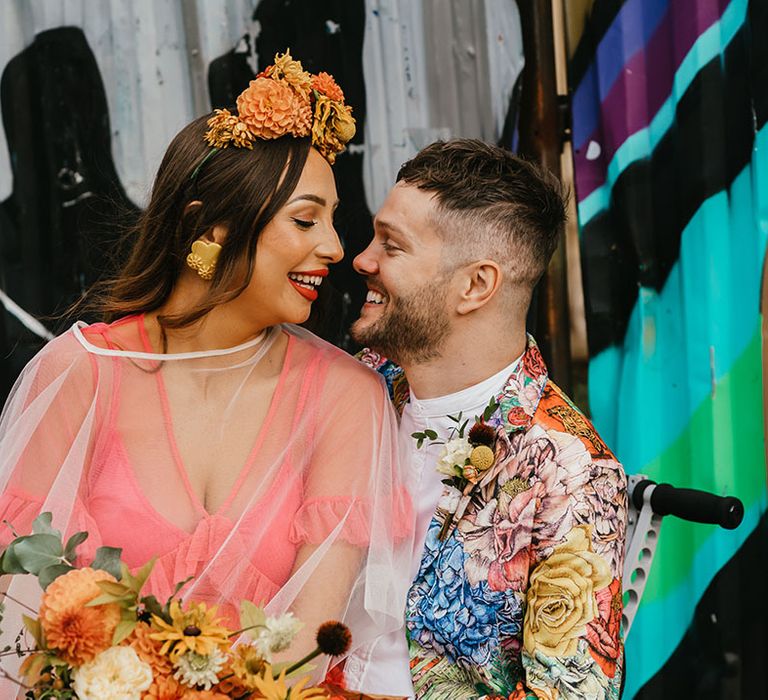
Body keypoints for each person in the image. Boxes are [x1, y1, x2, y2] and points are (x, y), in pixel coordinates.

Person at [0, 52, 413, 696]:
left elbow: (307, 645)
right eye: (306, 220)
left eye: (332, 220)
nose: (335, 247)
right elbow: (16, 625)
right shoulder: (82, 374)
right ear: (206, 227)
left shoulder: (346, 397)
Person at [349, 139, 628, 699]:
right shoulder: (358, 384)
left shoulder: (571, 472)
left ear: (475, 285)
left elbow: (571, 695)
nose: (362, 260)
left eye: (392, 246)